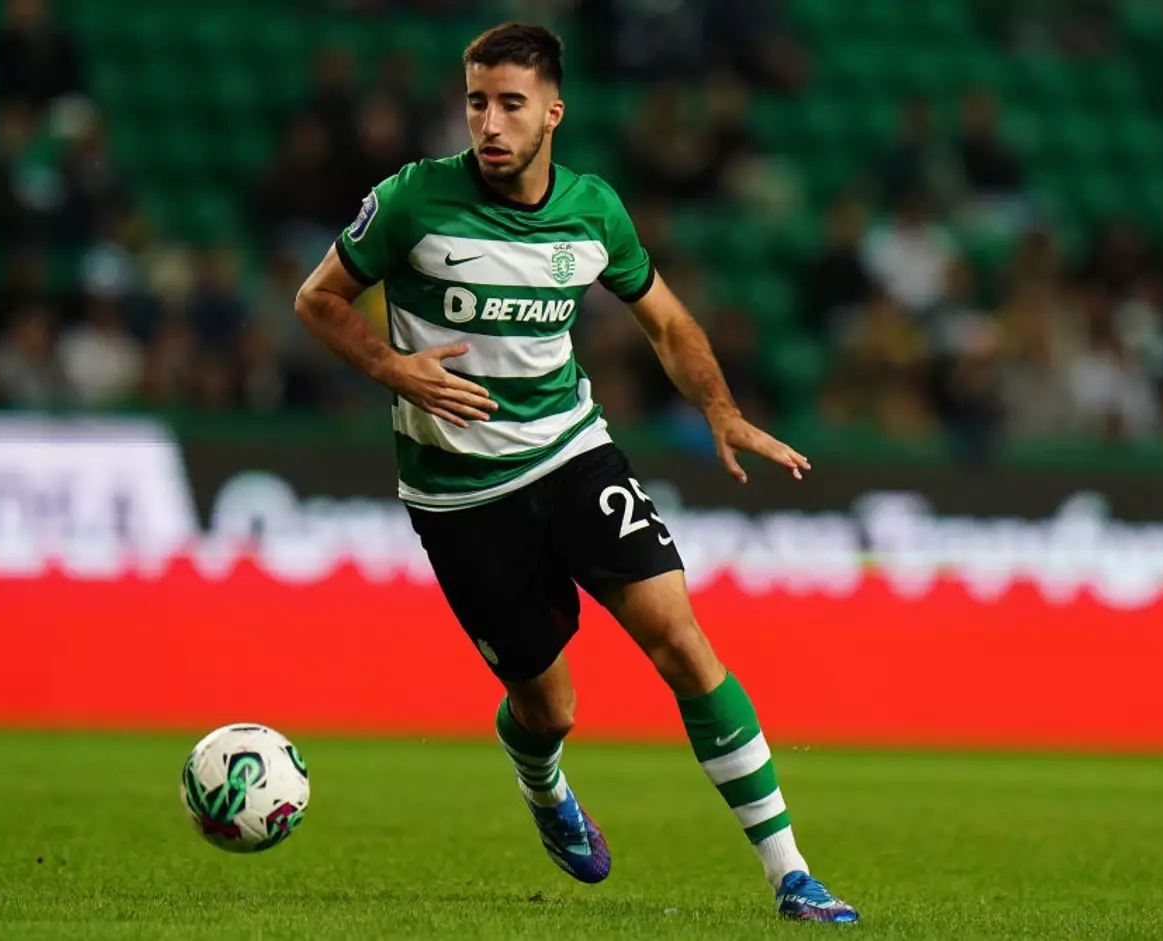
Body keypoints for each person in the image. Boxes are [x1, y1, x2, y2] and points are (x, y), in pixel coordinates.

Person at [293, 23, 859, 924]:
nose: (489, 121)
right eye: (477, 100)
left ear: (552, 111)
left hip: (571, 452)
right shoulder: (410, 202)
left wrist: (720, 408)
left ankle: (791, 872)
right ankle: (544, 781)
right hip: (461, 493)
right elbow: (316, 298)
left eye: (511, 103)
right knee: (549, 704)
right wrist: (392, 368)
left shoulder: (594, 212)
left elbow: (669, 323)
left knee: (680, 637)